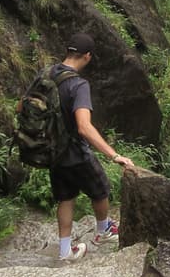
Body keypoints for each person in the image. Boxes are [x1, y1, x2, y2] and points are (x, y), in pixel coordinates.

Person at [46, 33, 135, 262]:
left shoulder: (46, 75)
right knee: (101, 189)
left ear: (68, 52)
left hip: (53, 151)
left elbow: (21, 107)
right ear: (87, 56)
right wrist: (114, 155)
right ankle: (103, 231)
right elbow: (84, 127)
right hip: (75, 151)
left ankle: (65, 252)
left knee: (65, 198)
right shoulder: (77, 84)